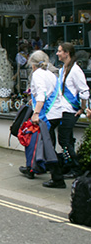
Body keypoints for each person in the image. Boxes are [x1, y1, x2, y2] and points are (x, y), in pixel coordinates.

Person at [17, 51, 63, 185]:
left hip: (45, 115)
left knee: (45, 147)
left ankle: (57, 178)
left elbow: (42, 95)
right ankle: (35, 168)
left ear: (32, 63)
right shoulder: (50, 74)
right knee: (44, 145)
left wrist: (35, 113)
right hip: (55, 114)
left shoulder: (37, 75)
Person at [54, 42, 89, 179]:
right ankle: (68, 164)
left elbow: (84, 90)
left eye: (59, 51)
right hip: (63, 109)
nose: (57, 53)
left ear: (67, 53)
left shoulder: (75, 70)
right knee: (65, 138)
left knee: (64, 139)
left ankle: (75, 167)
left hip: (70, 110)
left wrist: (82, 108)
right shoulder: (64, 68)